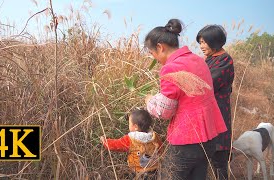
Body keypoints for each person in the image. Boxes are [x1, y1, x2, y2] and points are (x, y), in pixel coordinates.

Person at [144, 19, 227, 180]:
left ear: (160, 47)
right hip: (209, 137)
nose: (154, 58)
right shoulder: (197, 60)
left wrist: (149, 101)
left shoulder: (170, 68)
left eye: (152, 53)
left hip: (186, 140)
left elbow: (164, 112)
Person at [196, 25, 235, 180]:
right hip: (206, 114)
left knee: (219, 160)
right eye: (200, 42)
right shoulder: (210, 59)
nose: (201, 46)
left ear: (215, 41)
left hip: (218, 114)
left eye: (205, 42)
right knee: (205, 158)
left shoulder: (225, 60)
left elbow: (207, 84)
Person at [100, 108, 163, 179]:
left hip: (138, 171)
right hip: (154, 169)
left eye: (129, 123)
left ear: (135, 127)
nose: (128, 125)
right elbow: (160, 149)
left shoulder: (131, 139)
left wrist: (105, 141)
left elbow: (116, 145)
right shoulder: (155, 136)